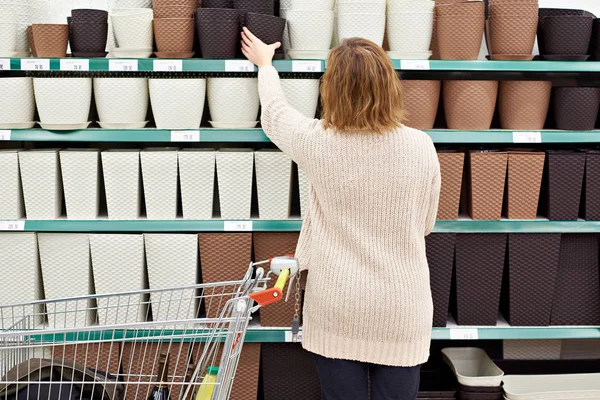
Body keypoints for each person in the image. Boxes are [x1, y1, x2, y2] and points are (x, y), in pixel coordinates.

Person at [242, 28, 441, 400]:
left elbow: (274, 114)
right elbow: (425, 223)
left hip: (338, 304)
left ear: (330, 89)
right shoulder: (421, 146)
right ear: (389, 86)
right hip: (402, 308)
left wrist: (266, 66)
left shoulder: (318, 141)